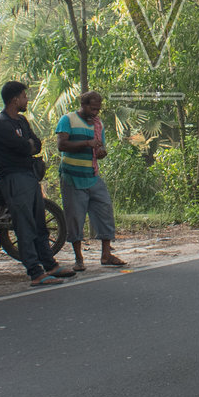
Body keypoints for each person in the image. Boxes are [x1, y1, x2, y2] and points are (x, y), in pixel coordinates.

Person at [0, 81, 73, 286]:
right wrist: (27, 145)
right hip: (14, 178)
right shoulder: (1, 124)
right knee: (25, 225)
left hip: (29, 175)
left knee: (39, 224)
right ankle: (35, 273)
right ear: (14, 99)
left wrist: (27, 145)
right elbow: (24, 146)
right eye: (24, 96)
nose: (27, 100)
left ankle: (49, 264)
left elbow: (36, 144)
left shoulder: (21, 121)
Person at [55, 90, 126, 269]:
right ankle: (79, 258)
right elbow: (62, 145)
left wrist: (101, 153)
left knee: (104, 210)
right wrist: (86, 143)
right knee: (75, 217)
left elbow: (98, 150)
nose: (95, 112)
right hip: (72, 176)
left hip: (92, 175)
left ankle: (106, 254)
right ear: (84, 105)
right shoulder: (68, 120)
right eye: (92, 109)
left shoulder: (98, 125)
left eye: (98, 109)